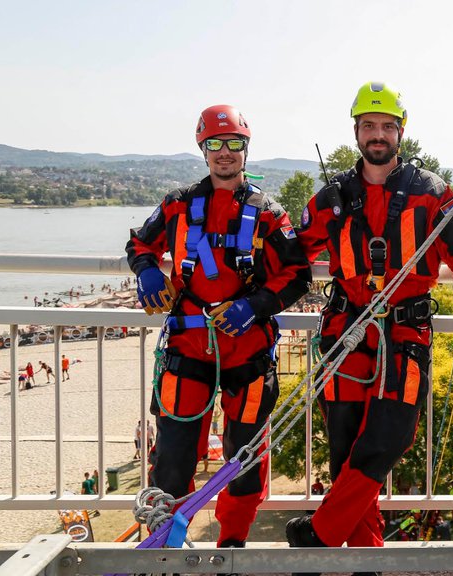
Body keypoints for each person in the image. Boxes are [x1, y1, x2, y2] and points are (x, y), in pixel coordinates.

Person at [284, 81, 453, 565]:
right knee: (346, 450)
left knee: (392, 435)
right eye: (369, 126)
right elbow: (291, 251)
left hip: (406, 330)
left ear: (401, 132)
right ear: (356, 132)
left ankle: (320, 535)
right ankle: (365, 560)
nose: (378, 134)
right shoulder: (333, 197)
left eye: (386, 126)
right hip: (346, 330)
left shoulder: (430, 193)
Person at [125, 104, 312, 552]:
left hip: (247, 352)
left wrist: (255, 306)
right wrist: (146, 270)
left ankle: (231, 547)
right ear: (203, 149)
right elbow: (139, 242)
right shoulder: (177, 205)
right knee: (172, 461)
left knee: (244, 464)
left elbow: (297, 274)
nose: (224, 152)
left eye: (233, 144)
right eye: (215, 144)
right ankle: (165, 551)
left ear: (246, 149)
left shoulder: (268, 214)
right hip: (188, 348)